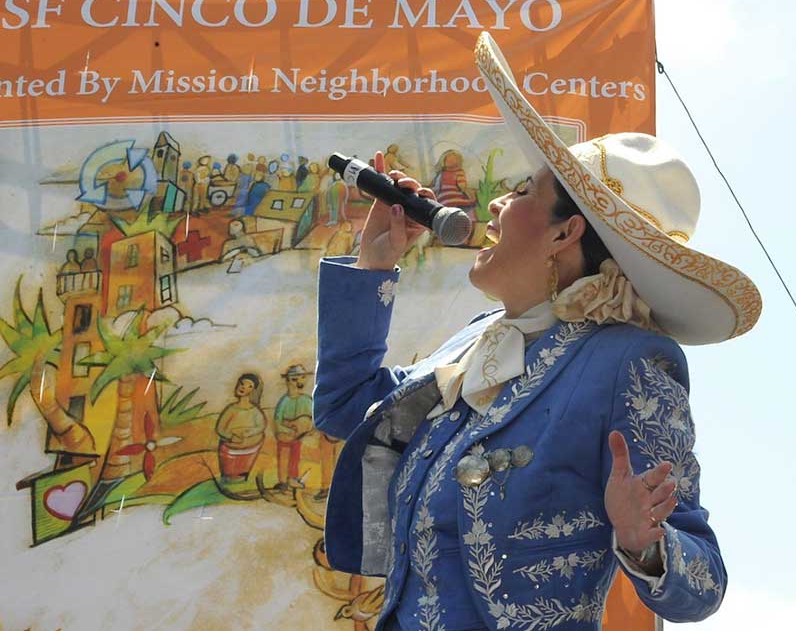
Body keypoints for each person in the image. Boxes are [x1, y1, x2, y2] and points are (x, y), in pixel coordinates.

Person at [313, 32, 761, 630]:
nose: (497, 203)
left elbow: (701, 585)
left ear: (563, 234)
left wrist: (644, 539)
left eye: (523, 191)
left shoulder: (628, 362)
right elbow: (344, 407)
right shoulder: (474, 344)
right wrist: (374, 267)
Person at [215, 373, 266, 482]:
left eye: (249, 386)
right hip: (230, 451)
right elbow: (220, 429)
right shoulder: (231, 409)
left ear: (254, 390)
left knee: (242, 476)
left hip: (249, 452)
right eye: (242, 384)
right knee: (229, 477)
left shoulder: (255, 411)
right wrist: (231, 438)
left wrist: (249, 433)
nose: (243, 387)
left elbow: (261, 426)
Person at [273, 364, 314, 490]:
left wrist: (308, 430)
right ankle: (282, 481)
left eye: (302, 378)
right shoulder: (284, 401)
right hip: (285, 436)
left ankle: (292, 479)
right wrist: (288, 430)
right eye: (294, 379)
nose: (299, 382)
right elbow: (277, 422)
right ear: (287, 381)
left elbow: (314, 418)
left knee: (295, 458)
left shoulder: (307, 400)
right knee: (283, 457)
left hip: (298, 437)